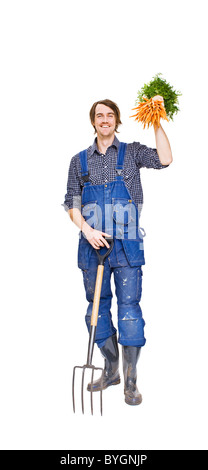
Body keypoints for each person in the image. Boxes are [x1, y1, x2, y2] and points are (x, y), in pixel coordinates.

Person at [63, 98, 172, 405]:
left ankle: (131, 379)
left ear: (117, 120)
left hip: (126, 246)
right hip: (92, 245)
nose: (105, 119)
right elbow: (71, 201)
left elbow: (165, 159)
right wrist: (86, 229)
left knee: (129, 312)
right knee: (95, 310)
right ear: (93, 121)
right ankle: (111, 370)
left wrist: (156, 122)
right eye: (100, 115)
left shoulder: (132, 152)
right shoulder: (79, 161)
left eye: (110, 115)